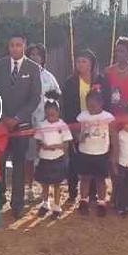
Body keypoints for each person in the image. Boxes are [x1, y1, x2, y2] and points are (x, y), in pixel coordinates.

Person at [0, 33, 42, 220]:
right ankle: (0, 196)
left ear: (24, 46)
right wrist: (3, 117)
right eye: (12, 45)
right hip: (1, 124)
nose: (15, 48)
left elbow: (35, 98)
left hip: (22, 125)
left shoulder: (33, 68)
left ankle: (17, 203)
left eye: (18, 45)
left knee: (19, 164)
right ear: (8, 46)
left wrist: (18, 118)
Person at [62, 49, 111, 203]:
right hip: (78, 124)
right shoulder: (70, 82)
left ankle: (93, 194)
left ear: (91, 64)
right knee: (75, 159)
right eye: (78, 61)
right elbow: (67, 106)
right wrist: (73, 128)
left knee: (95, 158)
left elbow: (107, 103)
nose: (80, 64)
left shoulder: (101, 81)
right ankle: (72, 191)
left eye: (84, 61)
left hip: (97, 126)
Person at [24, 43, 61, 205]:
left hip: (45, 126)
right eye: (31, 54)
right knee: (29, 158)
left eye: (38, 54)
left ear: (43, 58)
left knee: (45, 158)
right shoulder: (21, 76)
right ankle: (28, 189)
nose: (34, 57)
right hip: (27, 125)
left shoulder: (49, 77)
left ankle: (43, 190)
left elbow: (56, 98)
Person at [74, 90, 116, 217]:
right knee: (85, 178)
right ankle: (83, 201)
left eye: (93, 106)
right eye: (88, 105)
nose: (90, 109)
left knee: (100, 179)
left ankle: (102, 202)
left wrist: (113, 153)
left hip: (101, 153)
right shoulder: (82, 116)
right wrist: (79, 137)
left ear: (101, 104)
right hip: (85, 152)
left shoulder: (108, 117)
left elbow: (113, 135)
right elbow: (76, 133)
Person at [33, 91, 73, 219]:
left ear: (58, 112)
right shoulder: (42, 125)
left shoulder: (63, 125)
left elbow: (66, 144)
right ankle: (45, 204)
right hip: (44, 158)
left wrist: (55, 147)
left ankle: (57, 206)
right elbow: (38, 141)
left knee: (57, 184)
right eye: (48, 113)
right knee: (45, 183)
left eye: (53, 113)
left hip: (57, 158)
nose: (51, 115)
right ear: (45, 113)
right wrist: (41, 148)